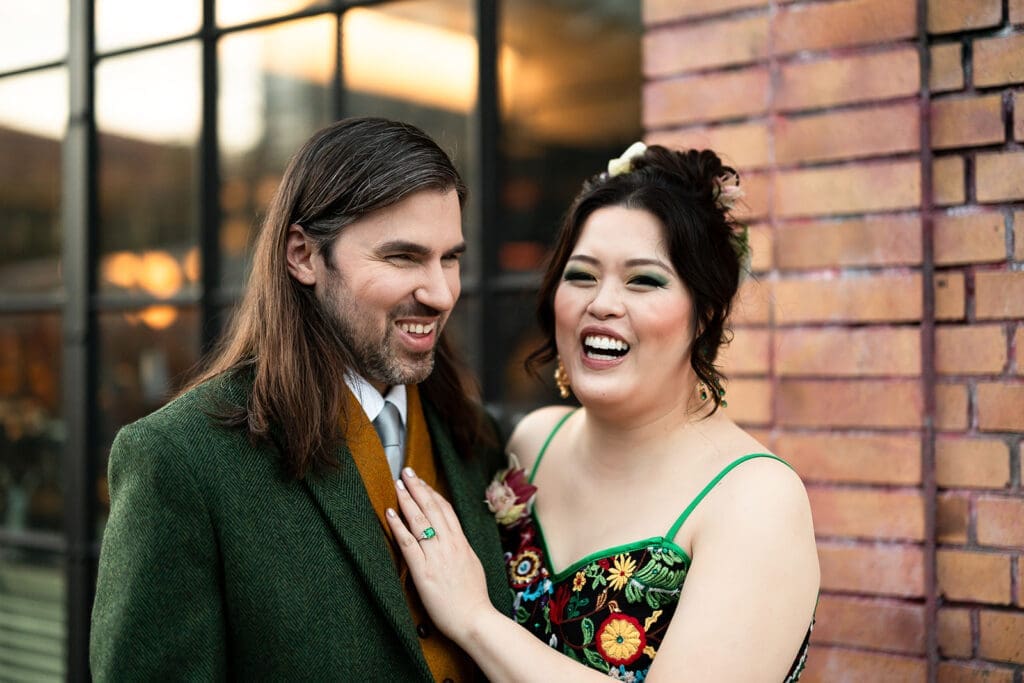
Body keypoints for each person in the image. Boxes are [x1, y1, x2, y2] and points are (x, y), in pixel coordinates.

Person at [90, 117, 512, 680]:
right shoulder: (178, 460)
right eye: (403, 258)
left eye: (450, 258)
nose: (440, 292)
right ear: (304, 256)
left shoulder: (475, 438)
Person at [386, 142, 820, 681]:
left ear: (705, 314)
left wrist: (474, 618)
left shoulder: (756, 498)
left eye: (644, 280)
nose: (603, 303)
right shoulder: (530, 445)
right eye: (582, 275)